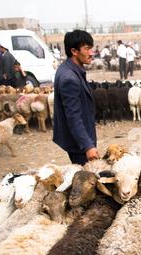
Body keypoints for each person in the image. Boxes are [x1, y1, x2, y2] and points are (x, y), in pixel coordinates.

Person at [53, 29, 99, 166]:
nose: (91, 53)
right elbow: (73, 116)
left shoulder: (69, 69)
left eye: (91, 48)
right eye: (87, 49)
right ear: (74, 51)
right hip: (79, 144)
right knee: (86, 179)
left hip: (80, 139)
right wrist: (88, 146)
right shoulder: (69, 78)